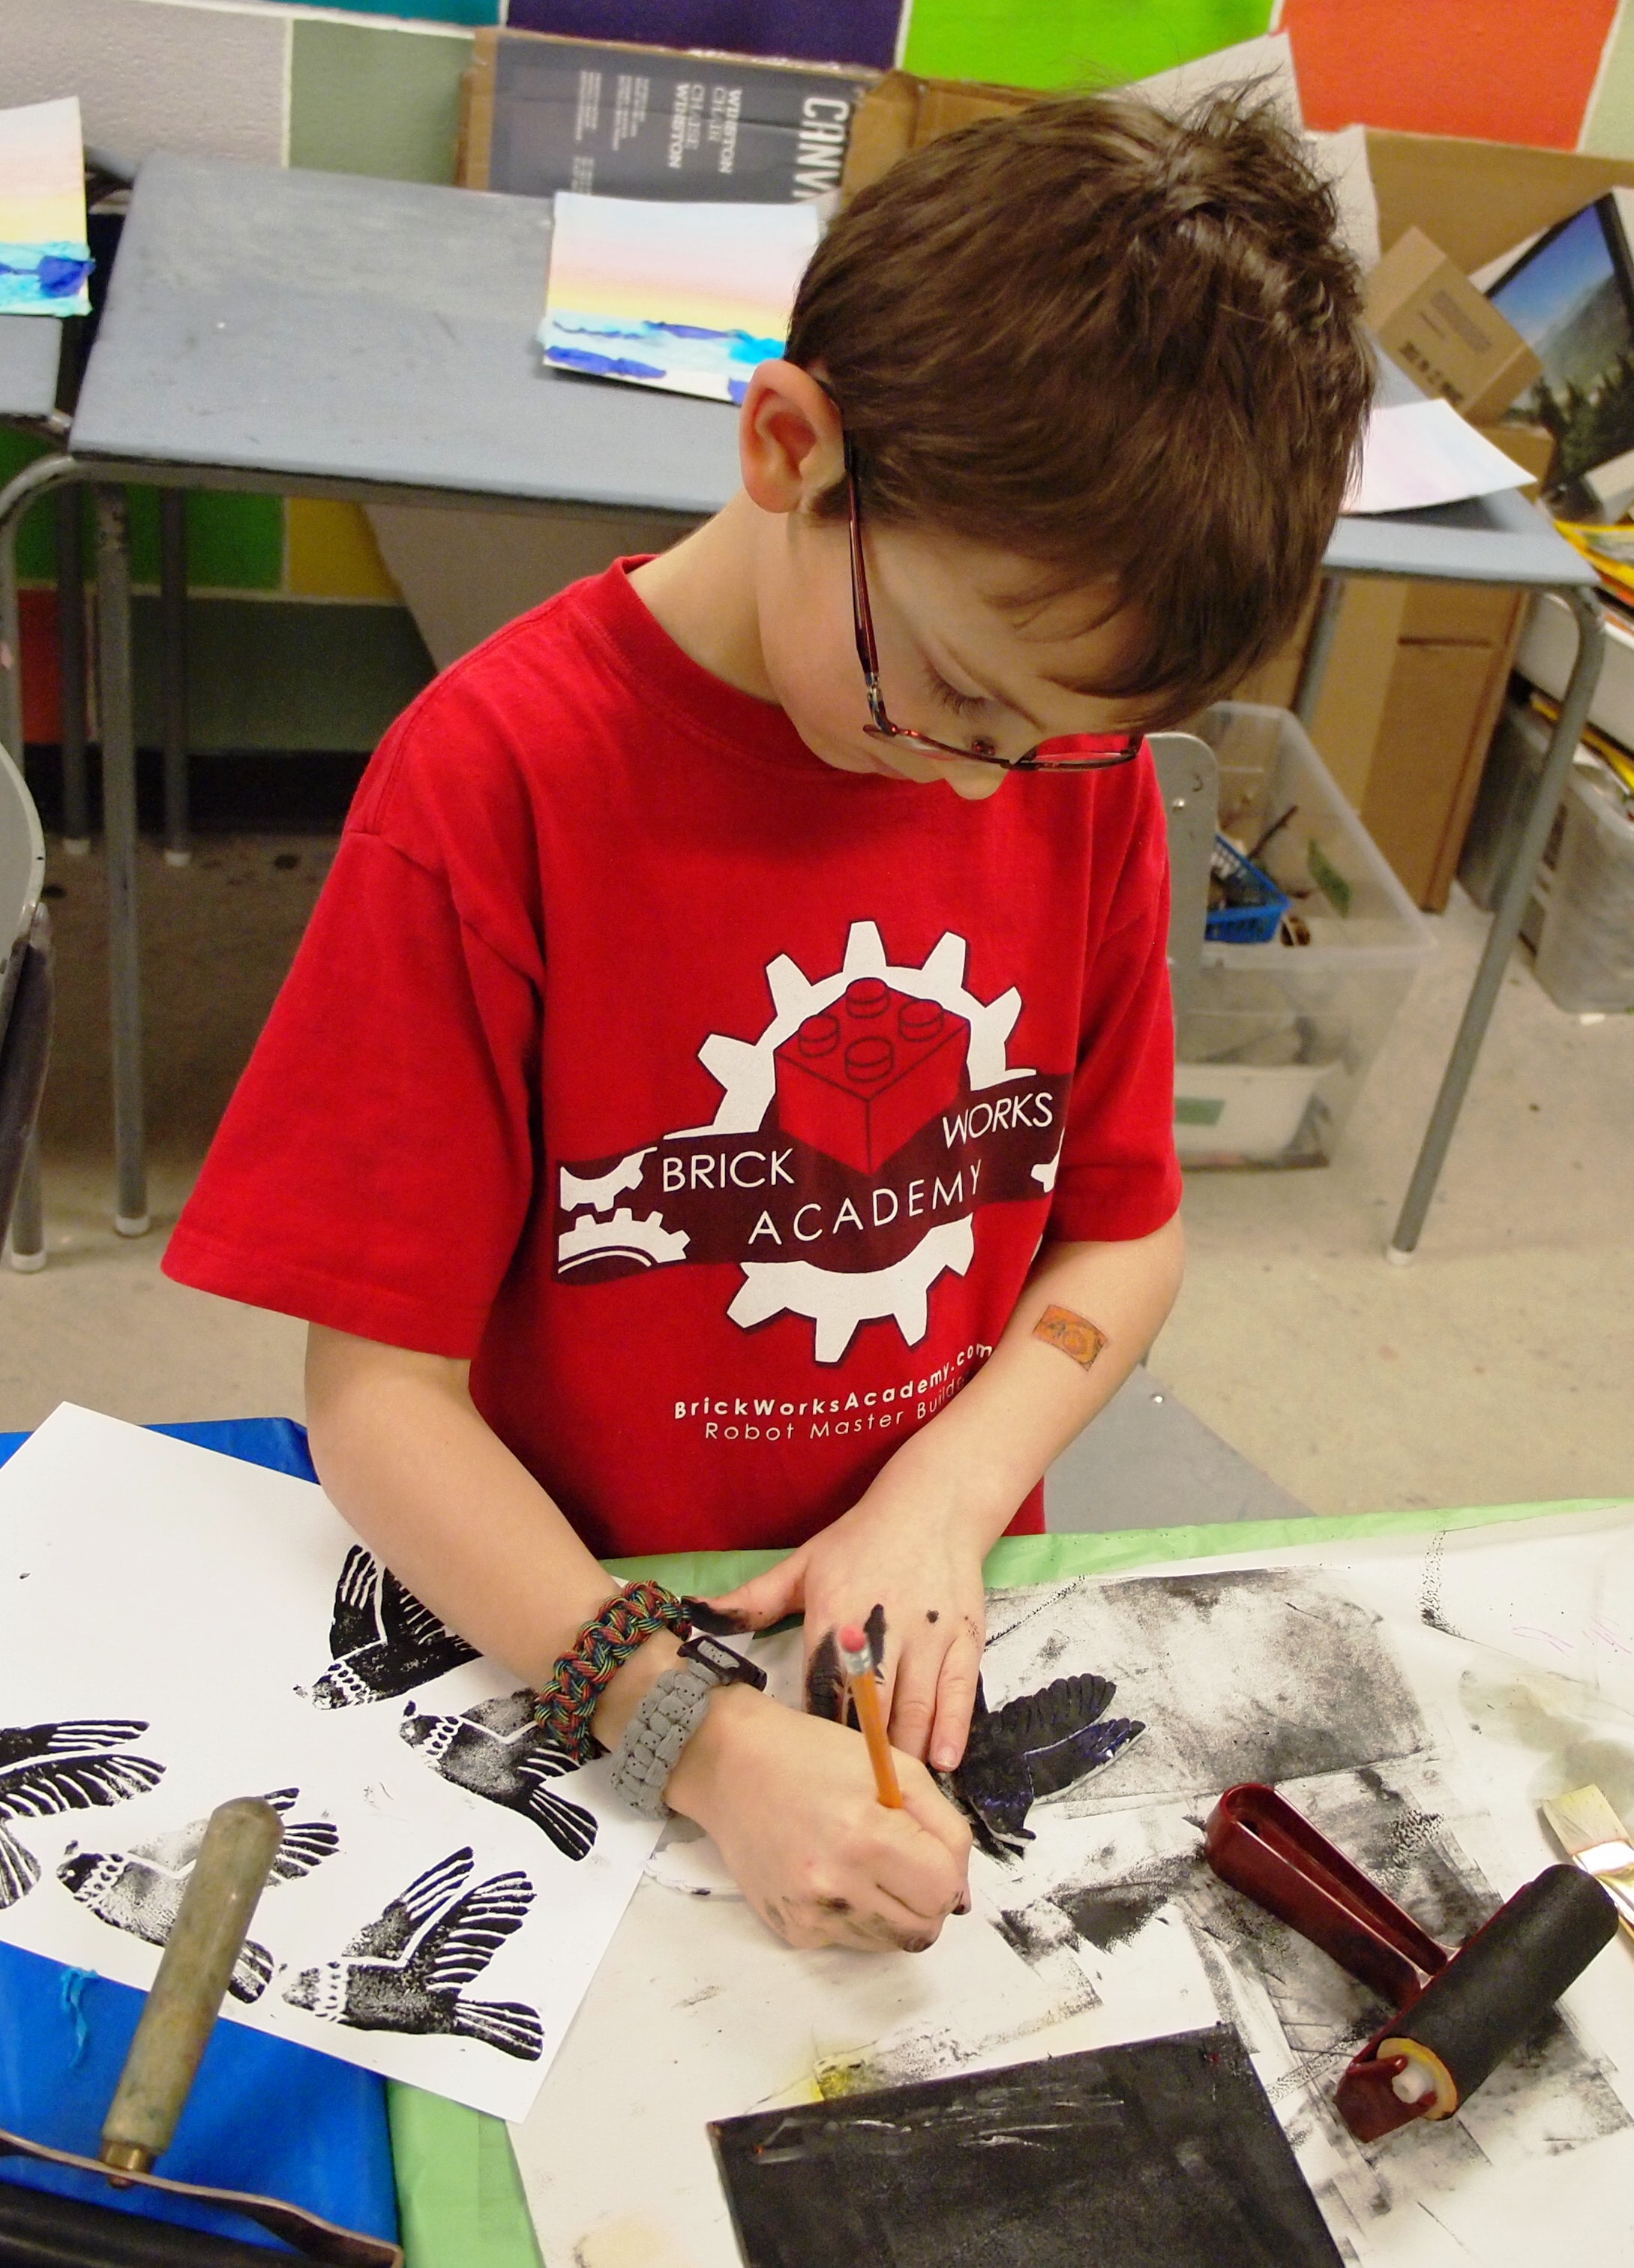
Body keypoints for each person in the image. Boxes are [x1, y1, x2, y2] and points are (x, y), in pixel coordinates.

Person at [163, 88, 1372, 1958]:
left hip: (934, 1600)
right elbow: (377, 1405)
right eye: (955, 698)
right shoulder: (497, 785)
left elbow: (1119, 1226)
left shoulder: (1068, 777)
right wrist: (697, 1739)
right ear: (791, 446)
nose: (989, 796)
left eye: (1056, 742)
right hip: (558, 1626)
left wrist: (947, 1489)